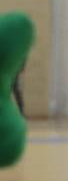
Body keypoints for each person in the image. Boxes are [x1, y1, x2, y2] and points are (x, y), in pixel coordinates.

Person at [0, 12, 34, 168]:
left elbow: (20, 56)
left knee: (15, 93)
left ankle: (20, 112)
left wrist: (19, 68)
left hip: (10, 72)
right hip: (9, 72)